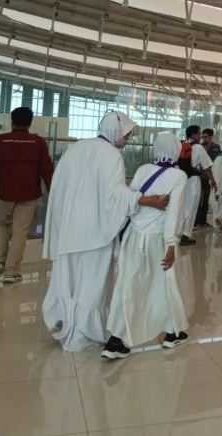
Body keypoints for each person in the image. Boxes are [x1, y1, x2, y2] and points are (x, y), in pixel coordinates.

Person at [42, 111, 169, 352]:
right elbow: (115, 196)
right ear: (115, 131)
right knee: (91, 282)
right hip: (94, 230)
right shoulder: (111, 155)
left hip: (69, 228)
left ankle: (65, 324)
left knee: (68, 279)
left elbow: (59, 186)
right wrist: (146, 200)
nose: (128, 138)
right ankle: (83, 332)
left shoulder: (77, 148)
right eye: (127, 134)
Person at [102, 132, 189, 359]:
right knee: (164, 282)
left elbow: (131, 201)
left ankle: (116, 339)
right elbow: (174, 213)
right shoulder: (179, 176)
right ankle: (171, 333)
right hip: (157, 238)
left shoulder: (142, 170)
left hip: (133, 235)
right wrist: (172, 244)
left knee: (127, 283)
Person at [0, 107, 53, 284]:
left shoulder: (0, 141)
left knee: (0, 225)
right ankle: (11, 270)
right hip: (29, 194)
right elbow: (47, 171)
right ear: (30, 123)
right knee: (19, 232)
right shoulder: (37, 143)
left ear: (11, 121)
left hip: (3, 193)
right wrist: (53, 192)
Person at [178, 125, 216, 246]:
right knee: (192, 207)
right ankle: (185, 235)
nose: (200, 136)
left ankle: (179, 231)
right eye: (199, 134)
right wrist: (213, 180)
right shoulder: (198, 147)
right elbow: (207, 166)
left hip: (182, 180)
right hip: (193, 180)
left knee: (183, 206)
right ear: (194, 135)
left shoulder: (181, 144)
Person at [196, 128, 221, 227]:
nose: (203, 139)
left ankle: (203, 220)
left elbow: (217, 162)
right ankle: (196, 220)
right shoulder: (199, 147)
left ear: (211, 137)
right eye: (202, 137)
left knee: (206, 199)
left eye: (205, 137)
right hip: (199, 176)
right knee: (198, 199)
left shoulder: (216, 147)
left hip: (210, 176)